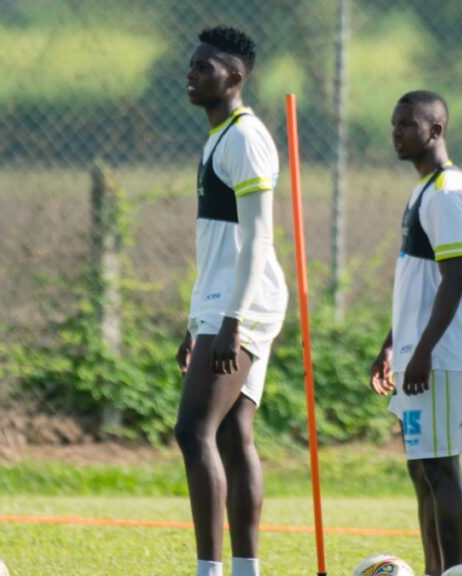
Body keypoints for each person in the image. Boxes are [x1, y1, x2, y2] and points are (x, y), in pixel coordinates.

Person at [174, 26, 288, 576]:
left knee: (192, 430)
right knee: (231, 432)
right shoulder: (219, 137)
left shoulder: (246, 137)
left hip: (244, 306)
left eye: (205, 67)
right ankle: (245, 570)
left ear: (236, 78)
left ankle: (210, 571)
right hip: (223, 304)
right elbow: (222, 247)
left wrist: (231, 321)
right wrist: (199, 321)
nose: (192, 73)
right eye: (192, 64)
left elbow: (258, 237)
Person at [369, 90, 462, 576]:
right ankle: (435, 569)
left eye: (408, 125)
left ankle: (454, 570)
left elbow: (454, 277)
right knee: (421, 469)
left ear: (435, 131)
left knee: (441, 467)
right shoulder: (423, 188)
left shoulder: (447, 191)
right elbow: (420, 280)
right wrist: (393, 343)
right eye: (394, 124)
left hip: (441, 354)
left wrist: (425, 352)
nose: (397, 133)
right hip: (419, 349)